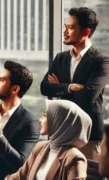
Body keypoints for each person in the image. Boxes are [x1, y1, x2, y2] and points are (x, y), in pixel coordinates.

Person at [40, 7, 109, 160]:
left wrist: (59, 88)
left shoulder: (101, 61)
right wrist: (70, 87)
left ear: (86, 32)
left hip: (88, 134)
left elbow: (88, 96)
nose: (65, 31)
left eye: (70, 27)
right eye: (65, 26)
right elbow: (44, 87)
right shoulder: (61, 58)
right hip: (61, 131)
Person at [5, 100, 91, 180]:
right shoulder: (40, 147)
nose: (40, 120)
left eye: (45, 115)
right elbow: (14, 179)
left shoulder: (75, 158)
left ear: (60, 121)